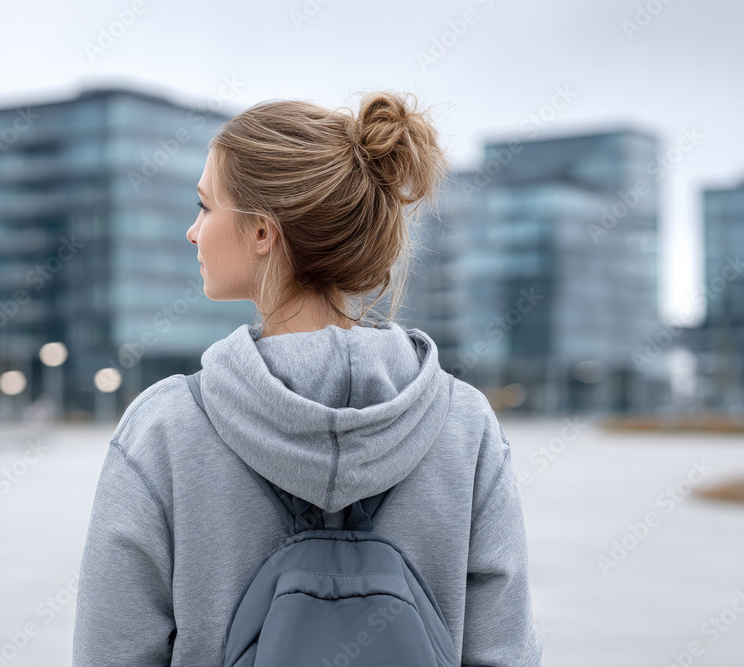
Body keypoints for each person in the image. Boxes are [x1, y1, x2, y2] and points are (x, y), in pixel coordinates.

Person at [73, 90, 542, 666]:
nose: (193, 232)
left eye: (205, 207)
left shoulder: (165, 429)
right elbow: (504, 653)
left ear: (263, 233)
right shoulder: (465, 427)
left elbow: (112, 653)